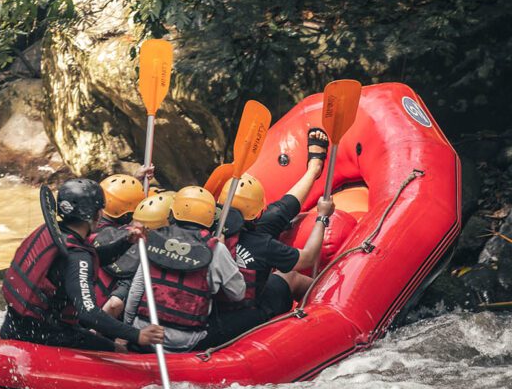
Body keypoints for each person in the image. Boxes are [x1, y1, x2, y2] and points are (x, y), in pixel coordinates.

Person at [0, 178, 164, 351]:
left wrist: (126, 242)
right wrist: (138, 335)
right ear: (96, 215)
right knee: (121, 350)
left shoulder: (56, 233)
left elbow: (93, 258)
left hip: (15, 324)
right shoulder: (77, 256)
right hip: (47, 334)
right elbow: (88, 313)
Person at [205, 128, 335, 345]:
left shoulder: (204, 226)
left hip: (209, 310)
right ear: (256, 213)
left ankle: (313, 170)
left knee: (277, 215)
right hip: (239, 317)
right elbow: (309, 257)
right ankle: (330, 310)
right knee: (290, 276)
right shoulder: (263, 245)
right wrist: (322, 216)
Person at [123, 186, 245, 352]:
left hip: (146, 333)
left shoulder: (154, 239)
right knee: (248, 315)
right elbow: (238, 294)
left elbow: (136, 291)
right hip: (187, 342)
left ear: (173, 212)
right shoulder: (217, 249)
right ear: (210, 218)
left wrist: (129, 331)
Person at [92, 171, 153, 317]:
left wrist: (133, 181)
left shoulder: (82, 228)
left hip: (70, 306)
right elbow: (115, 304)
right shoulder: (133, 243)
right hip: (96, 319)